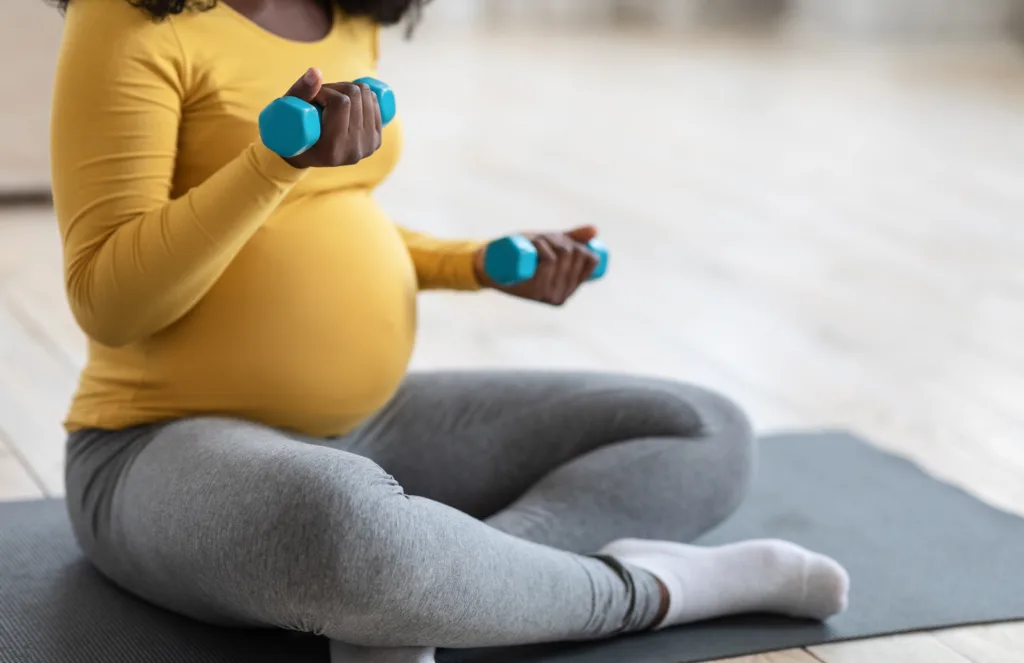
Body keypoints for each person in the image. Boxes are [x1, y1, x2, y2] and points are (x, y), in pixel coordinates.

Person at [49, 0, 850, 661]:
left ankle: (429, 590)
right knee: (342, 523)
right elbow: (110, 300)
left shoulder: (346, 14)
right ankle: (648, 593)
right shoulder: (126, 22)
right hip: (155, 447)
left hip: (374, 425)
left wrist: (480, 264)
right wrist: (272, 162)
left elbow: (334, 222)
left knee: (703, 428)